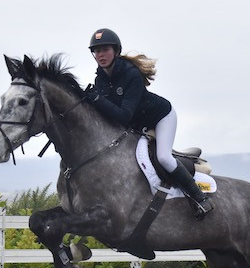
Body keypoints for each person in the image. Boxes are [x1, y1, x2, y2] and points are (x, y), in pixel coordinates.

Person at [84, 28, 213, 219]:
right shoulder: (100, 79)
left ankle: (200, 198)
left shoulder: (131, 75)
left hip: (161, 117)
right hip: (137, 126)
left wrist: (97, 100)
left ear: (116, 51)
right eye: (96, 51)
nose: (100, 55)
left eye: (105, 50)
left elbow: (123, 116)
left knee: (163, 158)